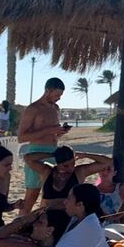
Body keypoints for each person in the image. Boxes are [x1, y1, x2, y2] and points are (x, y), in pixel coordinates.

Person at [18, 78, 71, 214]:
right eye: (56, 95)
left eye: (60, 96)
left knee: (51, 193)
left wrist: (60, 132)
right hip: (36, 152)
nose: (58, 99)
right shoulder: (33, 109)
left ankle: (40, 221)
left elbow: (53, 135)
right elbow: (21, 137)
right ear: (48, 90)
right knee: (32, 194)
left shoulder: (55, 108)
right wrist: (50, 130)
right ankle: (18, 224)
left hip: (54, 151)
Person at [25, 145, 112, 210]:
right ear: (58, 164)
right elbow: (28, 158)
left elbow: (108, 162)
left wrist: (86, 155)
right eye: (66, 166)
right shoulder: (47, 171)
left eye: (73, 164)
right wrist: (51, 154)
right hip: (46, 217)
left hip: (68, 217)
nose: (70, 168)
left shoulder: (79, 172)